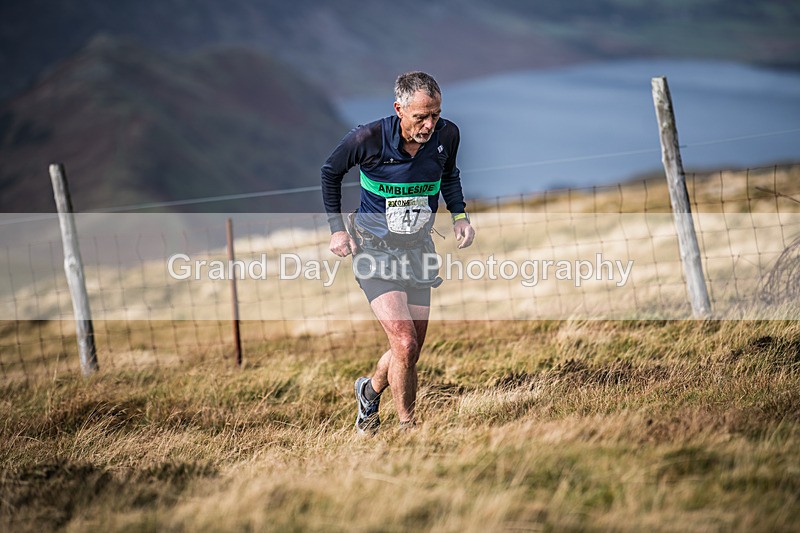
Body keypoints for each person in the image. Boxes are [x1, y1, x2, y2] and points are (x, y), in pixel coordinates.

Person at [321, 71, 475, 433]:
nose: (429, 124)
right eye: (421, 116)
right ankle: (408, 428)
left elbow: (449, 174)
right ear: (399, 109)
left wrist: (460, 216)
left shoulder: (447, 135)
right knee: (404, 342)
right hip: (374, 250)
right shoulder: (367, 138)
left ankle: (369, 390)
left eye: (435, 114)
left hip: (419, 250)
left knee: (410, 349)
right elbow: (330, 172)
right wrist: (336, 230)